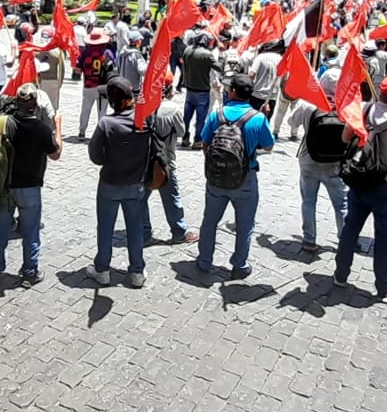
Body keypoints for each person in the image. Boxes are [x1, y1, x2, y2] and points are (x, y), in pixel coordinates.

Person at [334, 75, 387, 301]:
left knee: (351, 229)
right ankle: (384, 286)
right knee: (384, 239)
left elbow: (344, 138)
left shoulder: (362, 110)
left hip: (360, 181)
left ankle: (340, 275)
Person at [196, 75, 276, 279]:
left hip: (216, 179)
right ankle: (239, 265)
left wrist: (217, 163)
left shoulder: (217, 114)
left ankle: (205, 260)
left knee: (210, 221)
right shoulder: (257, 118)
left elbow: (204, 143)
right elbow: (268, 146)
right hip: (245, 179)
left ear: (232, 91)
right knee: (245, 224)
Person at [0, 85, 62, 287]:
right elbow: (56, 154)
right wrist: (58, 127)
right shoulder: (41, 129)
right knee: (31, 232)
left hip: (5, 186)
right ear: (36, 105)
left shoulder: (3, 123)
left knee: (0, 230)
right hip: (30, 189)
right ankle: (29, 272)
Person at [86, 78, 150, 287]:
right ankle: (137, 271)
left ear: (113, 101)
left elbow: (95, 156)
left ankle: (102, 269)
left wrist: (111, 160)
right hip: (136, 184)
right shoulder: (145, 121)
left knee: (105, 227)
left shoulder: (106, 123)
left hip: (110, 183)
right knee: (135, 228)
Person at [289, 64, 347, 253]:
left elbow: (292, 122)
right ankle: (345, 240)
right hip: (336, 163)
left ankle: (309, 240)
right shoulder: (347, 106)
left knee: (308, 201)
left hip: (309, 160)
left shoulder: (308, 104)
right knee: (341, 204)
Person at [143, 84, 198, 245]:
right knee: (172, 198)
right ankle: (179, 231)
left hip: (145, 161)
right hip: (166, 161)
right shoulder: (172, 108)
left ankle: (143, 233)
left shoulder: (143, 105)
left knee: (140, 199)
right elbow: (181, 131)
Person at [180, 34, 219, 147]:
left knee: (187, 116)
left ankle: (185, 137)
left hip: (189, 88)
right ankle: (197, 140)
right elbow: (218, 67)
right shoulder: (207, 54)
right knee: (200, 118)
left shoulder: (187, 50)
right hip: (202, 90)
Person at [76, 30, 115, 140]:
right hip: (103, 87)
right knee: (102, 111)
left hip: (88, 86)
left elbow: (78, 70)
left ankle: (82, 132)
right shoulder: (107, 53)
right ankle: (101, 134)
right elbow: (112, 68)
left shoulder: (85, 53)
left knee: (85, 110)